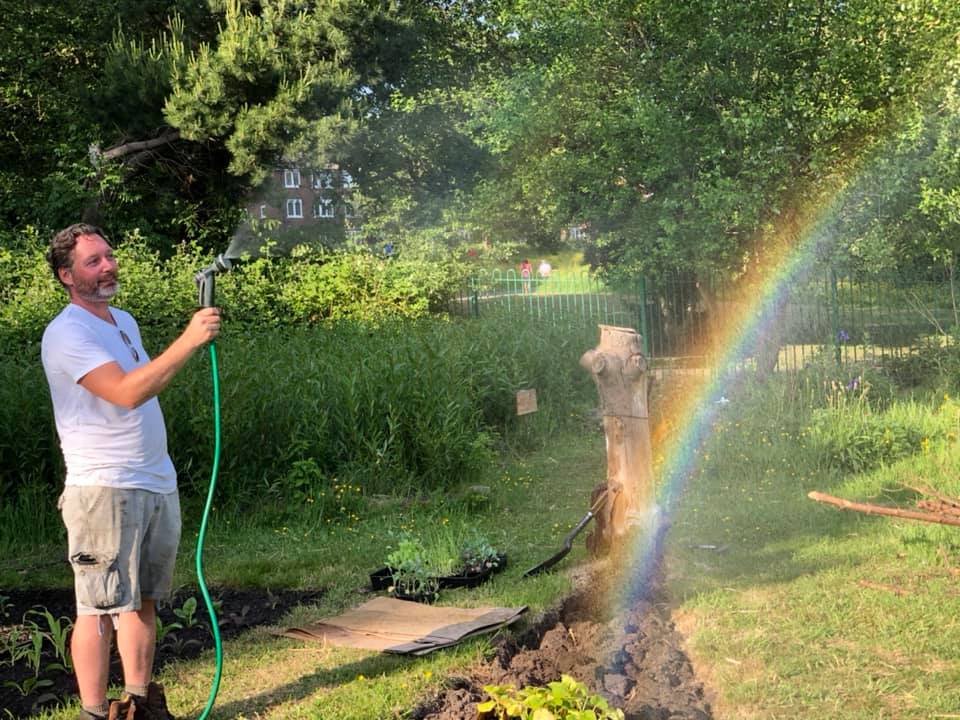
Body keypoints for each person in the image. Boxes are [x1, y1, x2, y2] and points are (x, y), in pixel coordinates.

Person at [41, 224, 221, 720]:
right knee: (97, 608)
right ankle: (96, 713)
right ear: (67, 275)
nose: (107, 266)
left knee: (142, 600)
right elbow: (126, 392)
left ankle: (140, 704)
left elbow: (144, 383)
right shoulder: (67, 333)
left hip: (153, 480)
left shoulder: (122, 320)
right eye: (93, 261)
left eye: (109, 256)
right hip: (104, 487)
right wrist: (189, 340)